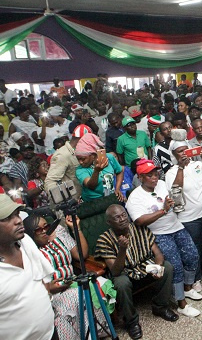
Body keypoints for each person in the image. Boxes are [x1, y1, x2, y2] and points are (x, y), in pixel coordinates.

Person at [125, 159, 201, 317]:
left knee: (192, 255)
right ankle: (181, 303)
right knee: (176, 266)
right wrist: (163, 210)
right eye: (149, 175)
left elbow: (176, 188)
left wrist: (180, 168)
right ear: (140, 178)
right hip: (157, 234)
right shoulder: (135, 197)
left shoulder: (161, 183)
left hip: (176, 227)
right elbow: (139, 221)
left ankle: (187, 289)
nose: (154, 177)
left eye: (155, 173)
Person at [96, 204, 179, 340]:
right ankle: (131, 322)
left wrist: (156, 267)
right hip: (125, 272)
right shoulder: (104, 240)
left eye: (124, 215)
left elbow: (157, 253)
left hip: (144, 265)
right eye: (117, 217)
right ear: (109, 222)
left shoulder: (140, 229)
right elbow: (116, 271)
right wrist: (122, 249)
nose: (122, 219)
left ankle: (160, 306)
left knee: (167, 267)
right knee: (121, 283)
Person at [23, 213, 109, 339]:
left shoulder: (58, 234)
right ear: (30, 234)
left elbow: (82, 254)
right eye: (38, 230)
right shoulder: (29, 252)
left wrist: (76, 227)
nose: (44, 231)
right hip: (53, 293)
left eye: (46, 226)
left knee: (95, 285)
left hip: (72, 280)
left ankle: (96, 332)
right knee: (76, 296)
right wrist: (50, 289)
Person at [165, 138, 202, 293]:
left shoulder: (197, 165)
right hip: (187, 217)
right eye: (180, 151)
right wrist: (180, 168)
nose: (184, 153)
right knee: (193, 248)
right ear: (174, 154)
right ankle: (196, 278)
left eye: (186, 149)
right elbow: (176, 189)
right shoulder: (171, 172)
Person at [0, 194, 55, 340]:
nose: (18, 221)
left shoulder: (25, 241)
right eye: (7, 218)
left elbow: (43, 275)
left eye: (17, 214)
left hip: (50, 334)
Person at [75, 133, 125, 207]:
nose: (80, 162)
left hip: (110, 197)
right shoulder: (80, 170)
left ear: (93, 155)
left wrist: (117, 189)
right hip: (92, 204)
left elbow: (120, 171)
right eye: (78, 159)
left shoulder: (109, 158)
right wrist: (96, 171)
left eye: (83, 159)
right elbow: (91, 186)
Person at [45, 124, 92, 201]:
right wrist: (62, 201)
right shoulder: (63, 155)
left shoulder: (81, 151)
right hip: (72, 202)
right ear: (81, 139)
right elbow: (50, 181)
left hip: (85, 198)